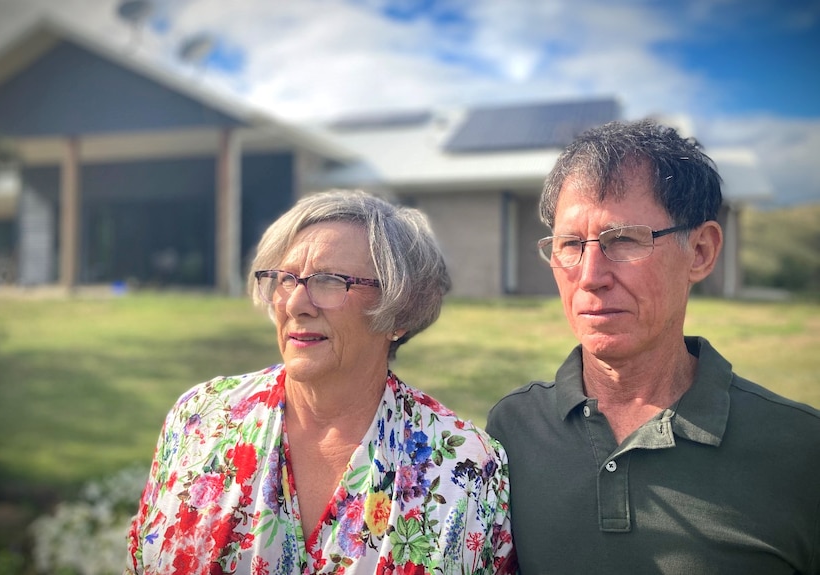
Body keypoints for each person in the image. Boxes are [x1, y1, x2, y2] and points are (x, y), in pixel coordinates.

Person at [487, 120, 820, 574]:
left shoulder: (801, 451)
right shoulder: (512, 432)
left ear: (700, 251)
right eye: (569, 244)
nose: (589, 275)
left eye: (622, 239)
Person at [127, 190, 516, 574]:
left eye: (329, 281)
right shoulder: (200, 418)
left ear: (400, 310)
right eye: (285, 279)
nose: (296, 304)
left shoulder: (464, 469)